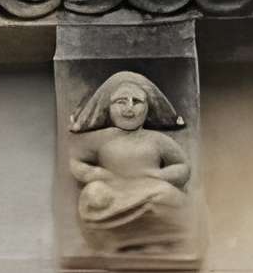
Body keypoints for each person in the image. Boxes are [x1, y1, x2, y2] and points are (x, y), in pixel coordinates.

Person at [67, 71, 195, 253]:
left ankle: (152, 237)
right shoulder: (101, 138)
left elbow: (182, 166)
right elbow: (75, 159)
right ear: (108, 107)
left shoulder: (156, 139)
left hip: (149, 189)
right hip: (113, 190)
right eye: (121, 102)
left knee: (166, 196)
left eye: (136, 102)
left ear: (147, 107)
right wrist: (94, 174)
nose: (129, 108)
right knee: (93, 193)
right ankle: (116, 237)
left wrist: (161, 175)